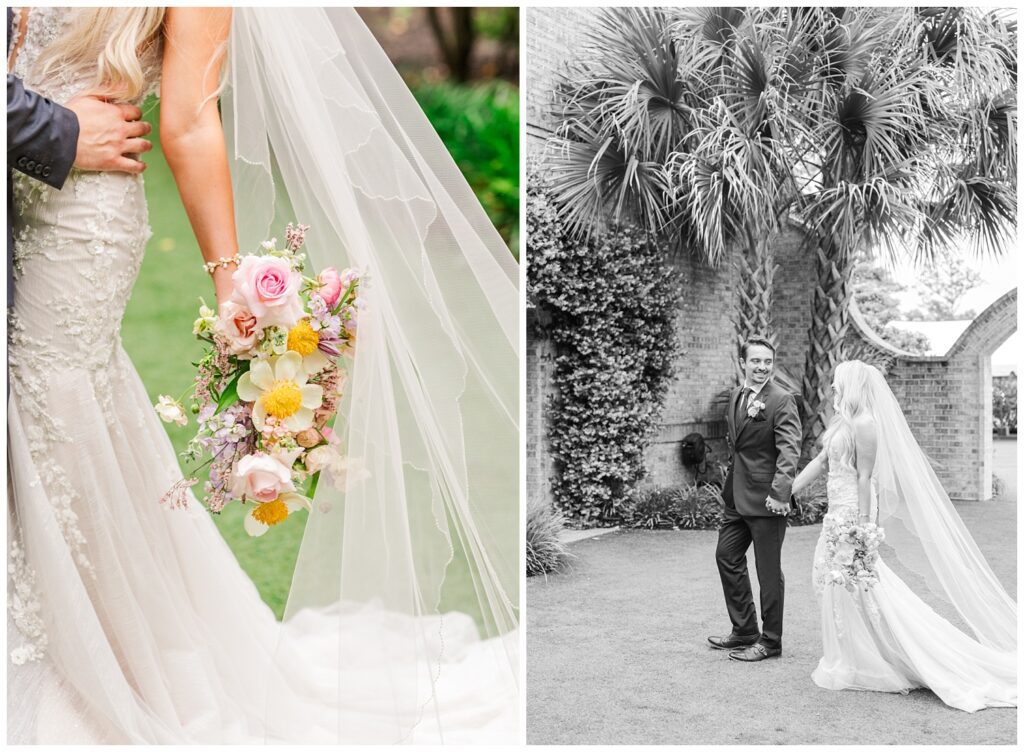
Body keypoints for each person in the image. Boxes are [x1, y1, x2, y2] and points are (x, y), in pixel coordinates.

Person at [7, 6, 518, 743]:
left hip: (80, 221)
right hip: (20, 188)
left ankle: (81, 673)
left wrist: (231, 284)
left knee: (55, 421)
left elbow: (188, 119)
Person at [792, 360, 1016, 711]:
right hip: (834, 514)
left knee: (861, 585)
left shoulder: (866, 424)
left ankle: (885, 656)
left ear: (850, 385)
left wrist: (863, 528)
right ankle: (851, 656)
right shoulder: (842, 421)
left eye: (837, 383)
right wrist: (790, 489)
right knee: (833, 582)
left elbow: (866, 478)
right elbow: (823, 460)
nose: (833, 388)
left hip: (851, 514)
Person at [7, 7, 152, 304]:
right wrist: (62, 130)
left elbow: (192, 128)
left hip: (82, 206)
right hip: (28, 167)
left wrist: (227, 272)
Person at [709, 336, 801, 661]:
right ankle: (745, 630)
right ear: (743, 363)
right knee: (726, 556)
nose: (762, 367)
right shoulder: (736, 395)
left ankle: (771, 641)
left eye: (767, 362)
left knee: (768, 571)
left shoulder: (782, 400)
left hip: (768, 501)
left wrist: (780, 493)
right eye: (756, 361)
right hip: (736, 497)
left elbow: (790, 450)